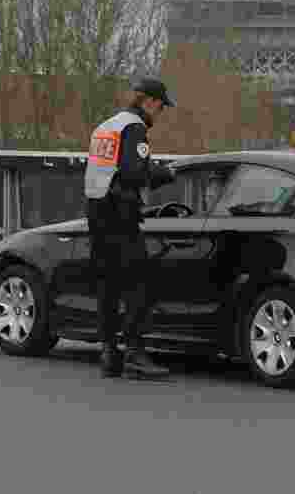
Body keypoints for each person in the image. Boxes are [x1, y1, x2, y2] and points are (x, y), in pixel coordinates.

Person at [84, 77, 178, 379]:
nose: (160, 113)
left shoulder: (106, 126)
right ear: (149, 101)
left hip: (96, 213)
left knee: (107, 287)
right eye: (161, 107)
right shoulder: (134, 128)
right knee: (140, 284)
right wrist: (163, 173)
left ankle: (110, 353)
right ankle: (136, 354)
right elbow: (133, 172)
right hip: (120, 216)